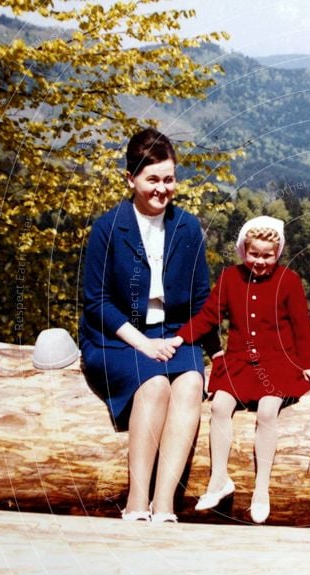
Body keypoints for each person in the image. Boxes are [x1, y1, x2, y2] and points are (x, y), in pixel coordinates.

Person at [80, 127, 220, 523]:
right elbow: (97, 303)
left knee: (191, 384)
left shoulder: (187, 228)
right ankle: (137, 502)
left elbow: (200, 299)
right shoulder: (108, 228)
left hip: (174, 333)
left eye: (169, 179)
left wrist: (216, 350)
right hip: (118, 337)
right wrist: (142, 343)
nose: (162, 188)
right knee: (155, 384)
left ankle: (165, 504)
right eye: (152, 179)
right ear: (131, 179)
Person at [173, 216, 310, 524]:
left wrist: (309, 365)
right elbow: (207, 318)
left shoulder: (289, 280)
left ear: (277, 253)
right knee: (220, 406)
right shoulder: (229, 278)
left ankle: (261, 489)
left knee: (268, 410)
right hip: (239, 361)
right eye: (254, 254)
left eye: (268, 255)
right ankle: (219, 480)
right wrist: (179, 338)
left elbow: (301, 326)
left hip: (279, 362)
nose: (260, 261)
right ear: (243, 250)